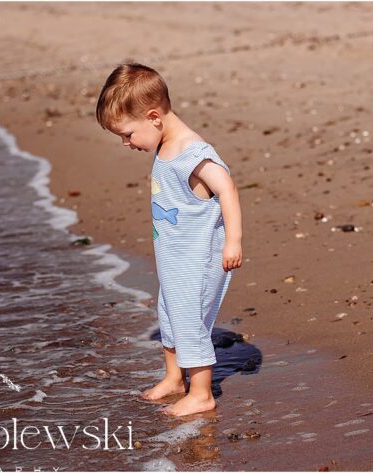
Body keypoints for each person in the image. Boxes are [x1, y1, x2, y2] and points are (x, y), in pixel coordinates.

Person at [96, 64, 244, 416]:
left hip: (200, 258)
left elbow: (227, 187)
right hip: (176, 257)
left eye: (128, 134)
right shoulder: (165, 145)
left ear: (153, 117)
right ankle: (175, 378)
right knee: (170, 313)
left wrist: (233, 240)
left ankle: (202, 393)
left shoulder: (192, 153)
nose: (125, 143)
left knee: (189, 319)